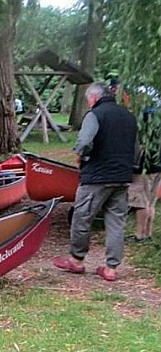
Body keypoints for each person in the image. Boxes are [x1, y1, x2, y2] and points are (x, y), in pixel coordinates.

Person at [53, 82, 138, 282]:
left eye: (88, 99)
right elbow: (136, 149)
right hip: (122, 177)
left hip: (96, 177)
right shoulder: (129, 116)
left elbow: (84, 142)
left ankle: (77, 260)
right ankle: (111, 268)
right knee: (116, 222)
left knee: (82, 217)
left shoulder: (95, 115)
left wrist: (81, 156)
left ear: (94, 97)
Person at [128, 113, 161, 242]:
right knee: (151, 202)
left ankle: (139, 236)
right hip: (158, 168)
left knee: (141, 203)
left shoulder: (143, 132)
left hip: (144, 170)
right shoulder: (157, 129)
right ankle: (148, 233)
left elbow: (137, 150)